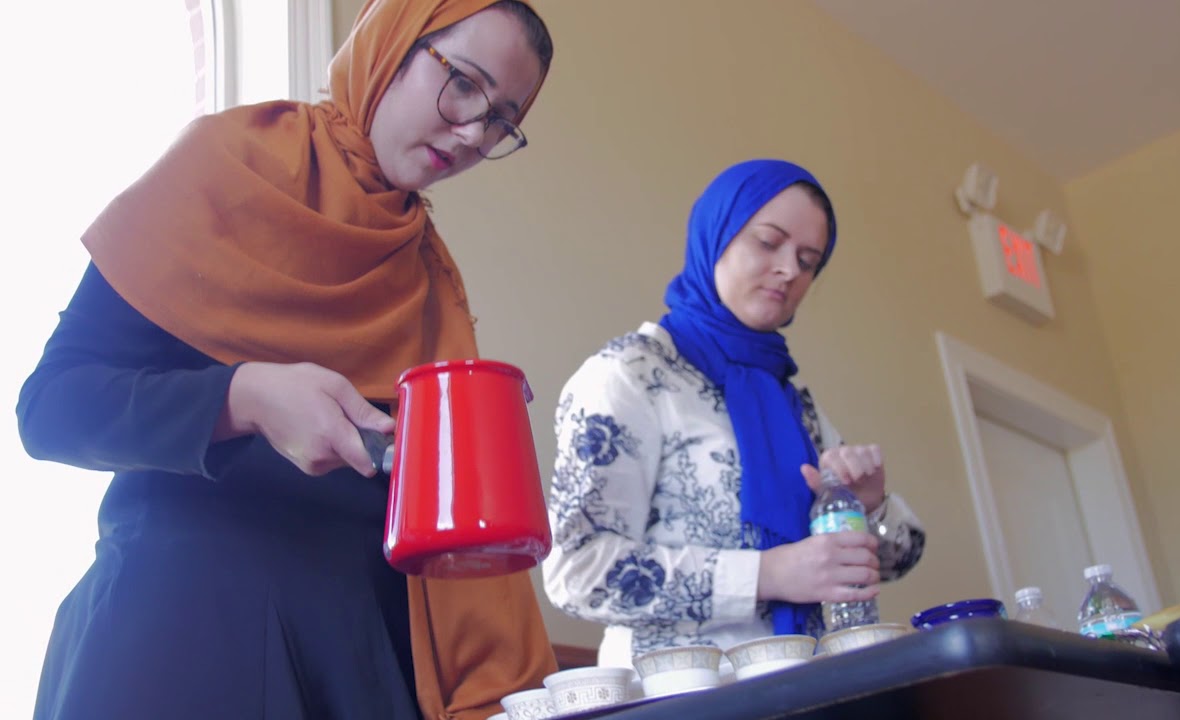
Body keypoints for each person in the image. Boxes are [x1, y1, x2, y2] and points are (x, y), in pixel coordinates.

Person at [17, 1, 557, 718]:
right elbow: (52, 408)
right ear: (390, 44)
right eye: (463, 81)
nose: (470, 132)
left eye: (501, 120)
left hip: (357, 663)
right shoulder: (227, 165)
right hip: (180, 645)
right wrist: (241, 401)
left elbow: (424, 524)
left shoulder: (428, 280)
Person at [542, 159, 926, 668]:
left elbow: (880, 564)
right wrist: (767, 574)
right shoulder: (632, 373)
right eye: (769, 242)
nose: (790, 270)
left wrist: (868, 507)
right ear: (715, 235)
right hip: (683, 695)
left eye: (809, 260)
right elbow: (577, 569)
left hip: (812, 687)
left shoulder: (793, 402)